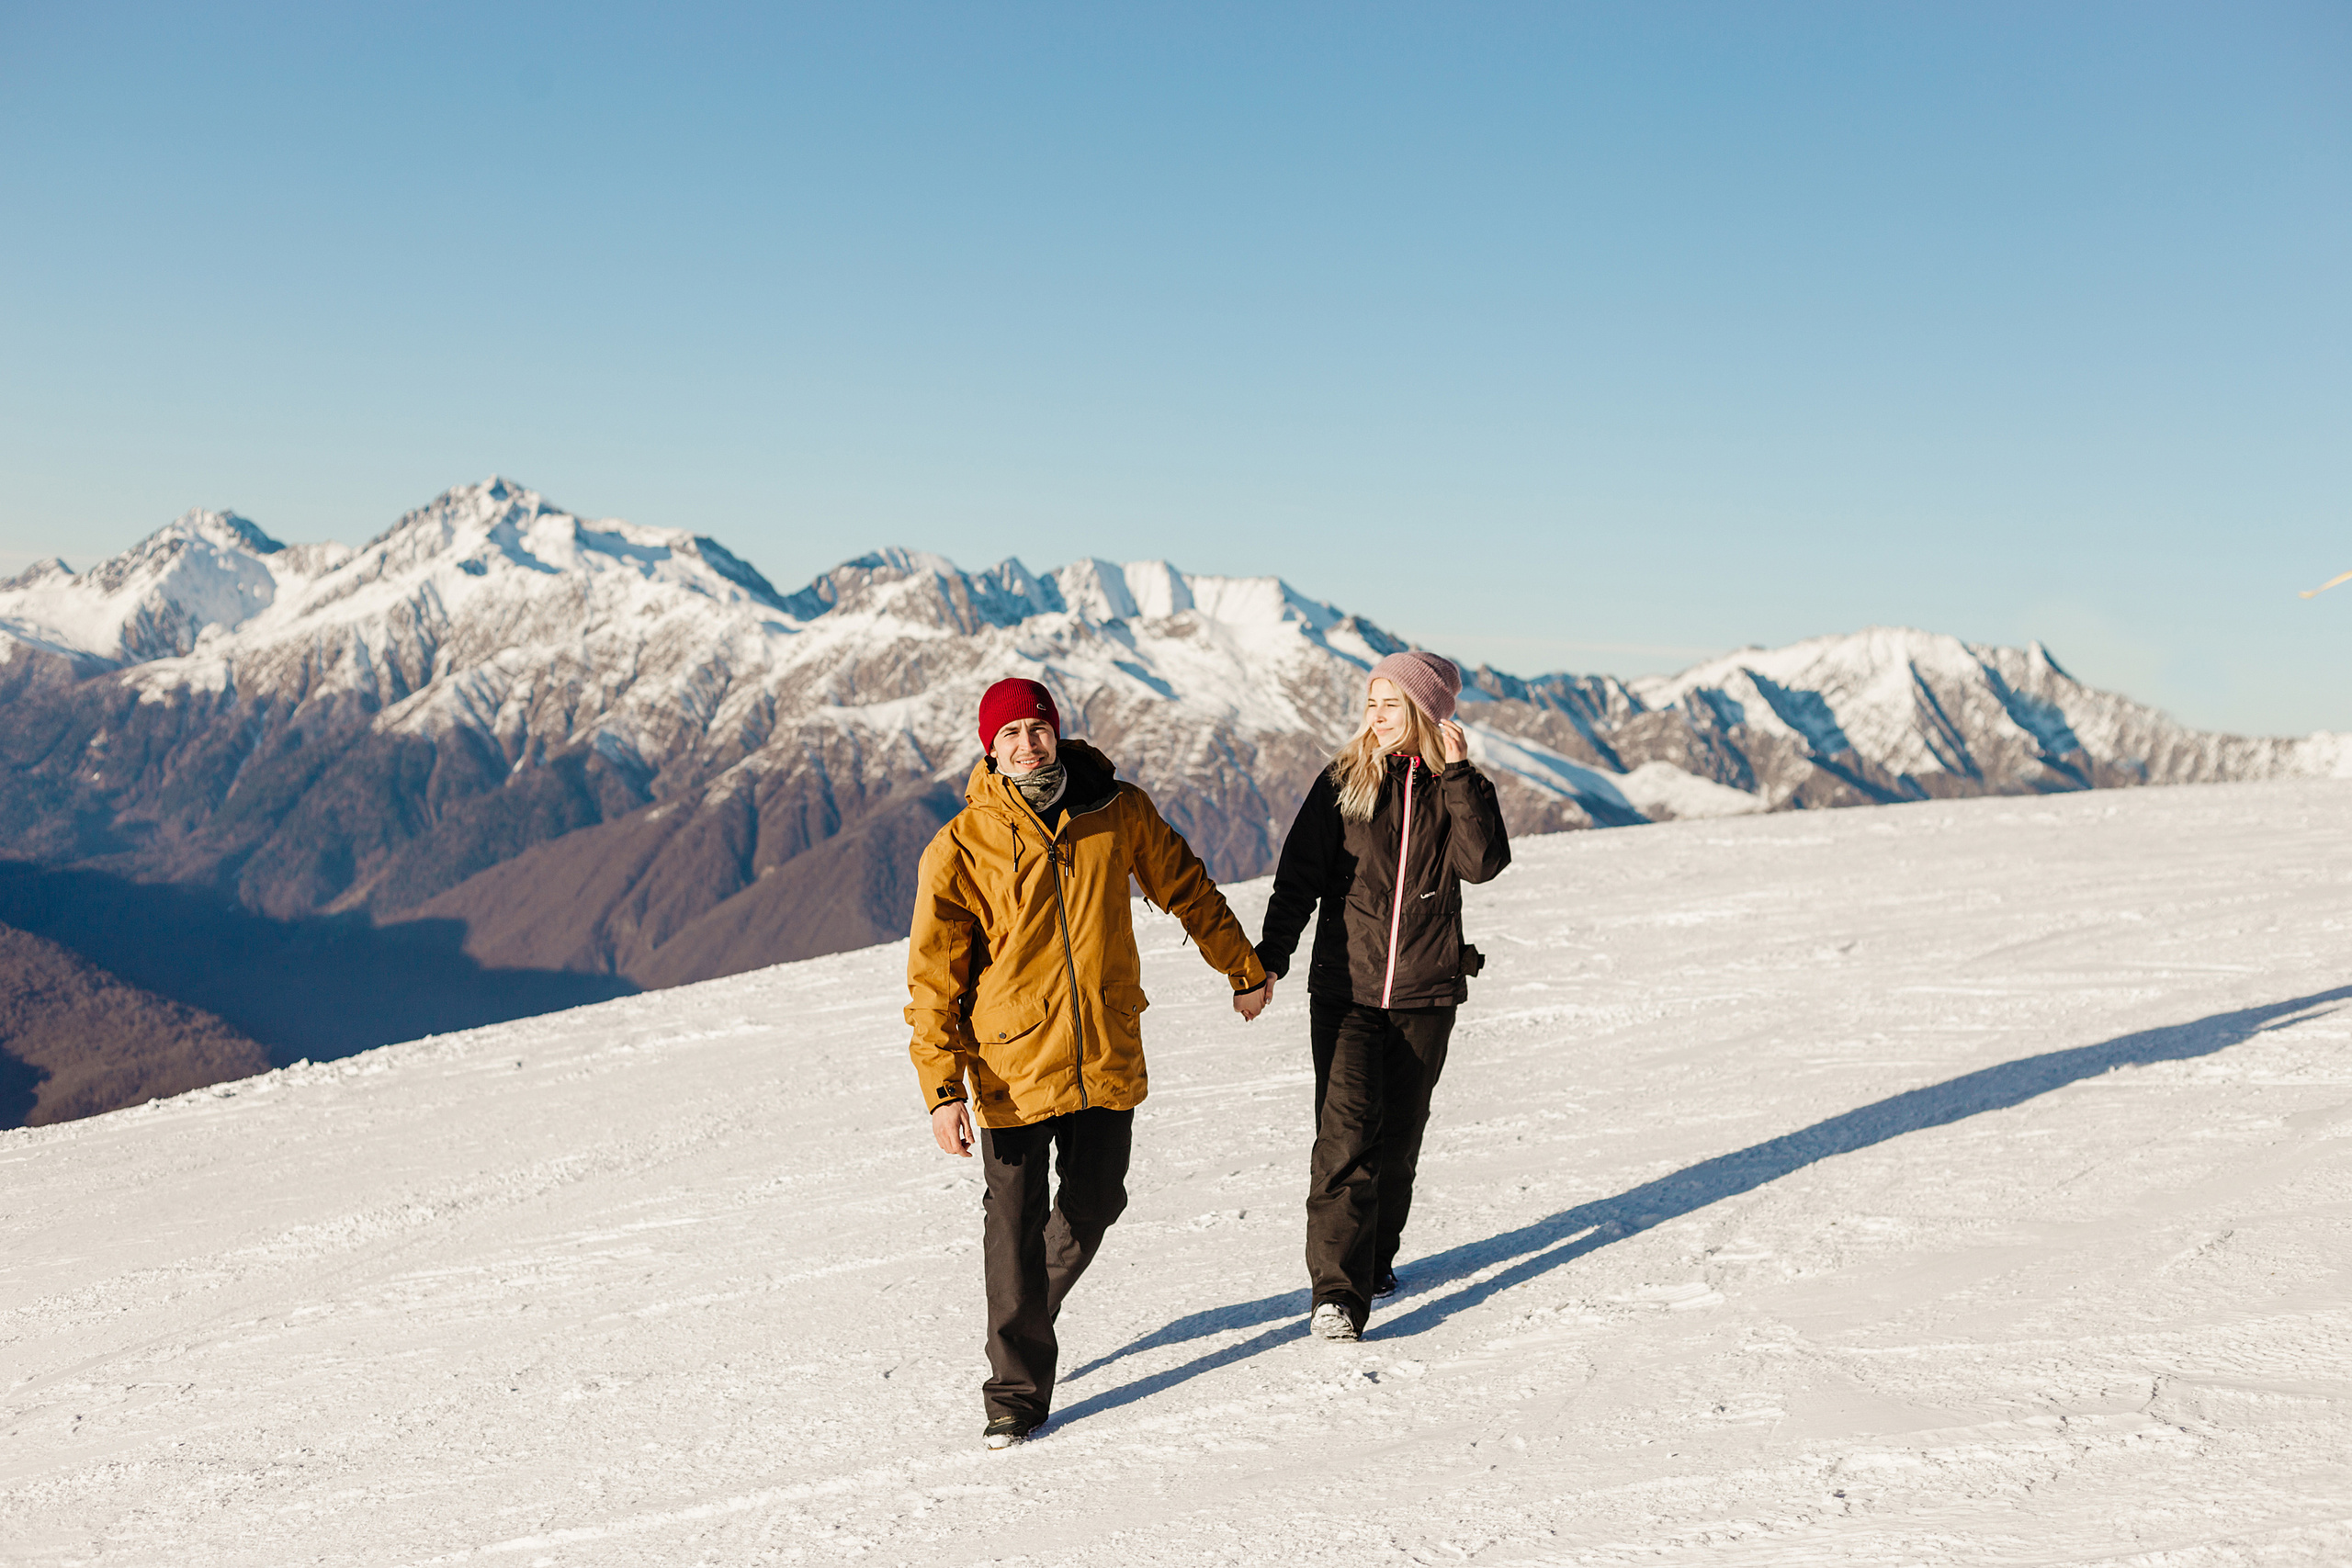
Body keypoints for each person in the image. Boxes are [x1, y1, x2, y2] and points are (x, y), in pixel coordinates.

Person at [907, 676, 1273, 1450]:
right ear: (990, 749)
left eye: (1036, 727)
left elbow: (1186, 886)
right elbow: (934, 977)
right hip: (1008, 1066)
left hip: (1103, 1045)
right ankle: (1014, 1392)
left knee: (1096, 1199)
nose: (1027, 743)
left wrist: (1242, 966)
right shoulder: (961, 844)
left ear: (1056, 730)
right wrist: (943, 1088)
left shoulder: (1117, 808)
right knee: (1010, 1225)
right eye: (1009, 734)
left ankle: (1028, 1307)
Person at [1255, 650, 1510, 1342]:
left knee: (1396, 1143)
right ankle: (1335, 1293)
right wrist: (1269, 959)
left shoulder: (1459, 787)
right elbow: (1298, 876)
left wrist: (1458, 775)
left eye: (1390, 704)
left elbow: (1482, 864)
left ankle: (1375, 1260)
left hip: (1427, 994)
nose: (1375, 717)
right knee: (1343, 1140)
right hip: (1345, 990)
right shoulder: (1343, 781)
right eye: (1370, 703)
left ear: (1426, 712)